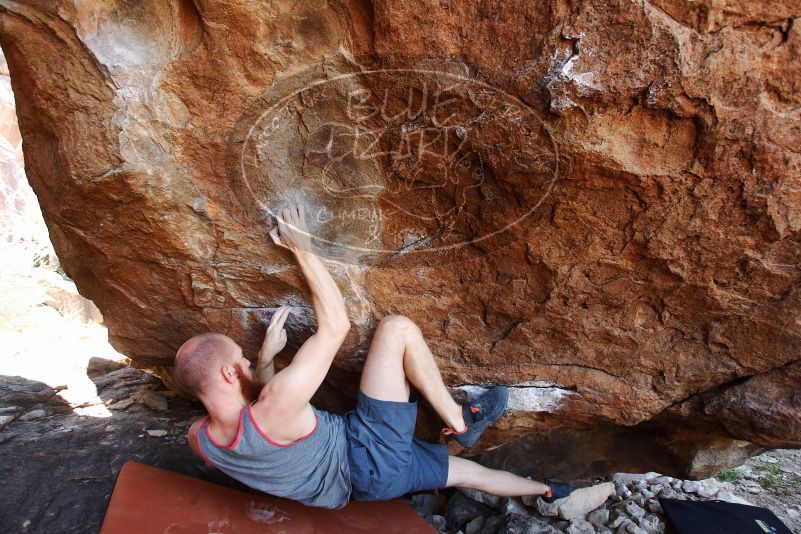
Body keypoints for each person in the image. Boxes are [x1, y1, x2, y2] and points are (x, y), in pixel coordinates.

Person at [174, 203, 571, 509]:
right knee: (397, 328)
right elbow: (335, 327)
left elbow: (253, 419)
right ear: (228, 375)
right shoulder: (275, 404)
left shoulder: (200, 440)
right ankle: (459, 422)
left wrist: (263, 359)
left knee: (468, 474)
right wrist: (303, 249)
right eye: (240, 361)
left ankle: (549, 489)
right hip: (365, 453)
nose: (246, 364)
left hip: (366, 485)